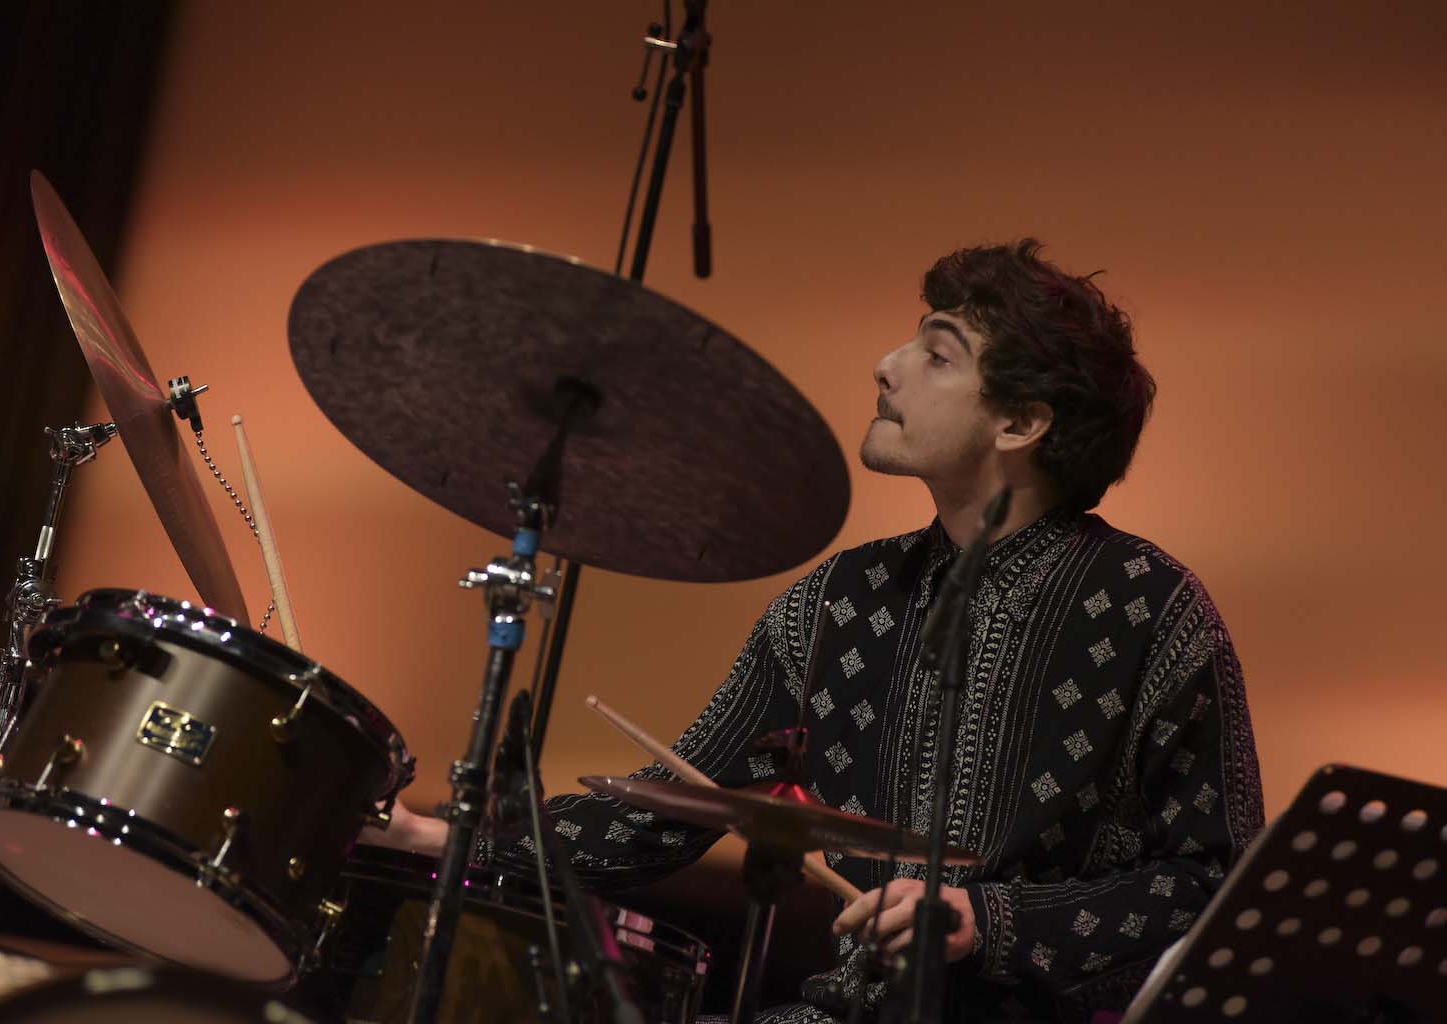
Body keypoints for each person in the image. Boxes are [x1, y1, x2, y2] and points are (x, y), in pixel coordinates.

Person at [373, 239, 1263, 1023]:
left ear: (1022, 422)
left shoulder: (1152, 606)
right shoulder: (844, 597)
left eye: (936, 355)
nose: (887, 365)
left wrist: (988, 921)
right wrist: (439, 837)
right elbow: (659, 812)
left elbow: (1215, 888)